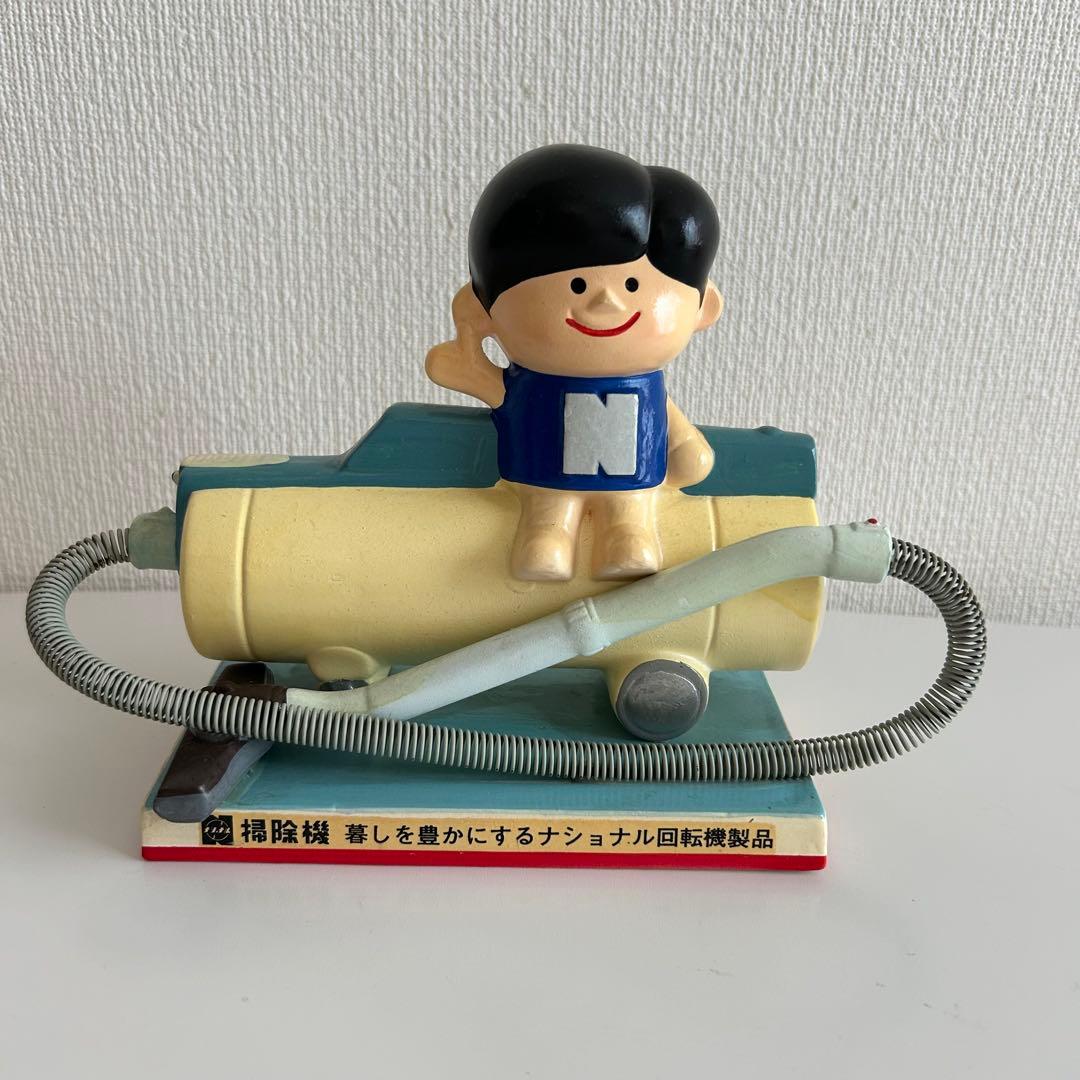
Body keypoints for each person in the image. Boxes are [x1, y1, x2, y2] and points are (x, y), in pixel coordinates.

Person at [426, 144, 723, 581]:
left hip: (631, 482)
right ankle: (545, 540)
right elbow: (499, 395)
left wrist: (684, 447)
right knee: (549, 514)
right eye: (578, 285)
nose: (607, 302)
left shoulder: (645, 389)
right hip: (545, 478)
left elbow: (668, 426)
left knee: (629, 516)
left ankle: (629, 538)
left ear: (704, 308)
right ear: (483, 308)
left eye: (634, 284)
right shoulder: (531, 385)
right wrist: (470, 368)